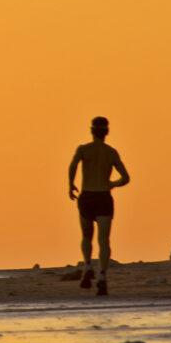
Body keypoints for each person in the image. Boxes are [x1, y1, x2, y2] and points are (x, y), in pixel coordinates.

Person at [68, 116, 130, 296]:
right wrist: (113, 184)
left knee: (86, 236)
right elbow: (126, 177)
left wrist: (70, 184)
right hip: (103, 196)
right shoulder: (111, 152)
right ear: (107, 132)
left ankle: (87, 265)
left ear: (91, 131)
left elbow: (72, 166)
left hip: (87, 196)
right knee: (104, 241)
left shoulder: (83, 150)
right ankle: (102, 276)